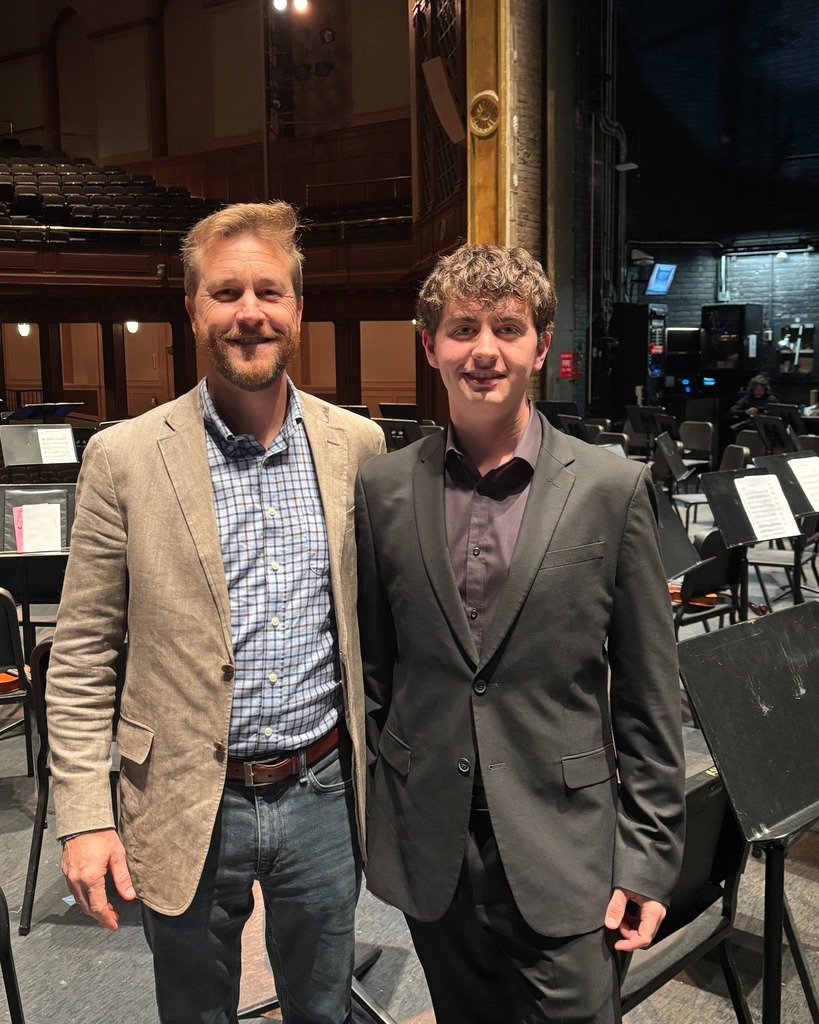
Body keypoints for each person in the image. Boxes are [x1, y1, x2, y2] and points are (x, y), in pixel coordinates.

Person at [47, 201, 385, 1024]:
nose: (249, 313)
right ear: (192, 309)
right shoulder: (123, 457)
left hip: (322, 792)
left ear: (298, 311)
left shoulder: (359, 447)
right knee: (194, 1013)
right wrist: (85, 818)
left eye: (269, 292)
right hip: (181, 797)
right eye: (226, 292)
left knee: (323, 1011)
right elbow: (83, 653)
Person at [355, 244, 686, 1024]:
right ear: (428, 344)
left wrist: (644, 858)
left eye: (506, 328)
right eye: (462, 328)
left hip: (564, 842)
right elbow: (374, 670)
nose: (483, 350)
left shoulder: (611, 488)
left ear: (540, 346)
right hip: (429, 838)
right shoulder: (382, 488)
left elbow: (647, 694)